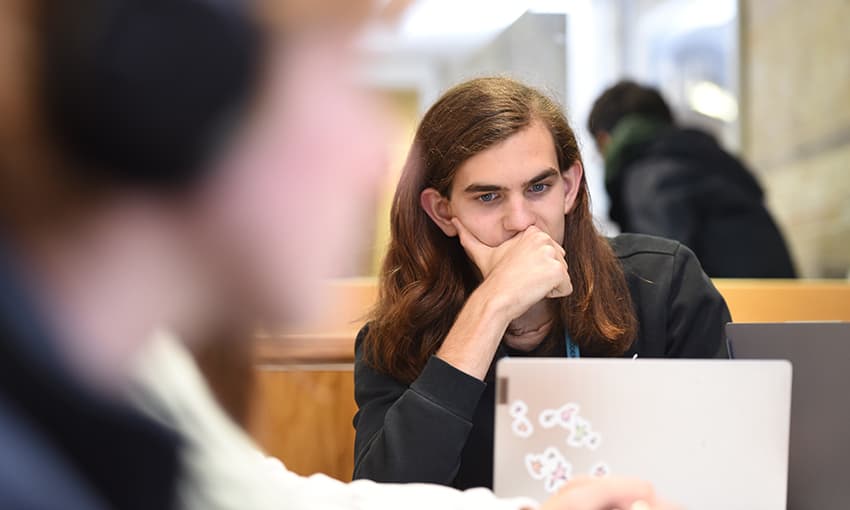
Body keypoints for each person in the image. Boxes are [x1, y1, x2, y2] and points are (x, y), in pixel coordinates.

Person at [0, 1, 672, 509]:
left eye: (539, 187)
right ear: (175, 97)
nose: (368, 155)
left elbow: (273, 501)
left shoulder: (138, 376)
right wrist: (487, 311)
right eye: (334, 79)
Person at [352, 77, 730, 490]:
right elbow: (385, 497)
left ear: (568, 189)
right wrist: (490, 307)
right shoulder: (396, 337)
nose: (520, 221)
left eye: (538, 188)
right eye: (488, 197)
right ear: (443, 212)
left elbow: (725, 469)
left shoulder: (663, 284)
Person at [586, 80, 796, 278]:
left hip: (737, 309)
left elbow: (660, 277)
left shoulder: (649, 177)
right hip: (784, 304)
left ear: (605, 141)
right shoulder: (707, 160)